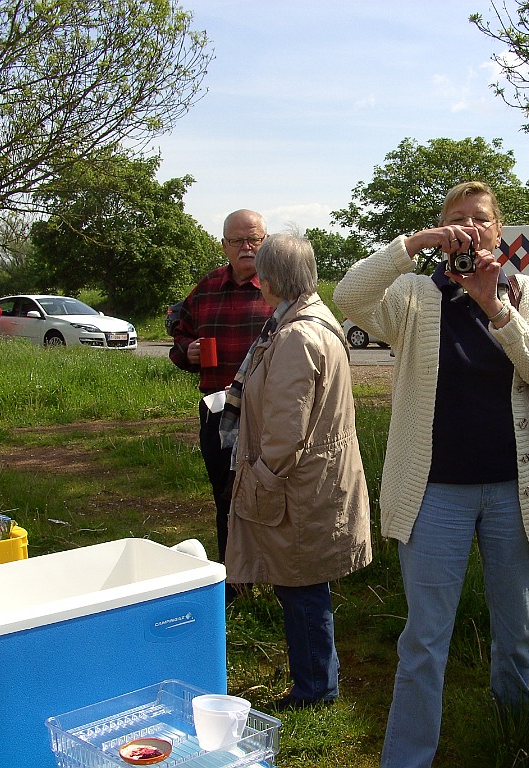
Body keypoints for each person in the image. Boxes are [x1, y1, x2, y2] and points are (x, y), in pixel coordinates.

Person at [334, 181, 529, 767]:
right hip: (434, 493)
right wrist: (413, 244)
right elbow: (348, 295)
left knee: (517, 627)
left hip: (515, 492)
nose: (467, 228)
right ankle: (408, 757)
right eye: (454, 220)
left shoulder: (522, 289)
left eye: (479, 219)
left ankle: (511, 731)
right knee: (425, 637)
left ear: (498, 230)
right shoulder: (413, 294)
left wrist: (495, 305)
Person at [225, 232, 371, 711]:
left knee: (301, 589)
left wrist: (262, 477)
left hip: (299, 486)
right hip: (312, 479)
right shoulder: (312, 319)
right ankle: (318, 683)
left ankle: (314, 692)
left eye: (260, 272)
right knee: (306, 586)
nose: (257, 280)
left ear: (271, 279)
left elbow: (286, 432)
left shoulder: (296, 336)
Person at [170, 210, 273, 583]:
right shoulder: (206, 288)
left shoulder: (279, 288)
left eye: (255, 240)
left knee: (268, 494)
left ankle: (272, 577)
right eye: (238, 241)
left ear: (265, 241)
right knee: (225, 496)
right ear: (224, 245)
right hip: (218, 411)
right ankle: (233, 578)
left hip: (267, 413)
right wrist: (188, 351)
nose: (247, 247)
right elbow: (179, 337)